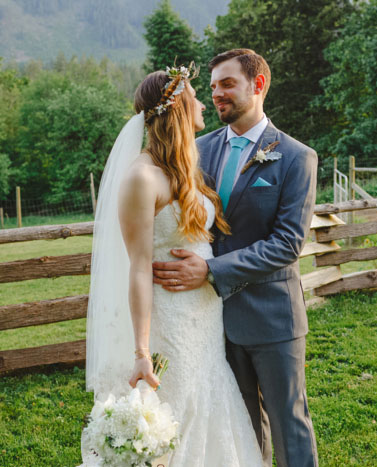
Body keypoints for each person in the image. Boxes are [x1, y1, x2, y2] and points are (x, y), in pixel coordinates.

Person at [83, 65, 263, 466]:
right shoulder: (142, 177)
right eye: (196, 96)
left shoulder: (184, 170)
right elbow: (137, 268)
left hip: (204, 318)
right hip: (171, 323)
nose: (204, 102)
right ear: (179, 109)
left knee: (208, 406)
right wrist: (141, 351)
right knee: (175, 414)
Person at [152, 49, 319, 467]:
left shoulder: (297, 157)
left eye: (227, 84)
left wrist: (210, 269)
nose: (217, 94)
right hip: (210, 320)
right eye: (212, 87)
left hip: (272, 316)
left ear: (257, 85)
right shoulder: (198, 150)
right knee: (240, 427)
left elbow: (287, 243)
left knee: (288, 422)